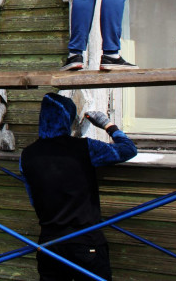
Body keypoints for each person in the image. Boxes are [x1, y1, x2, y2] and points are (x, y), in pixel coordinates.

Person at [20, 93, 137, 281]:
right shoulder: (84, 148)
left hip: (50, 244)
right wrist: (108, 125)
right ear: (68, 118)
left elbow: (34, 199)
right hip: (85, 242)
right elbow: (128, 149)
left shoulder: (27, 155)